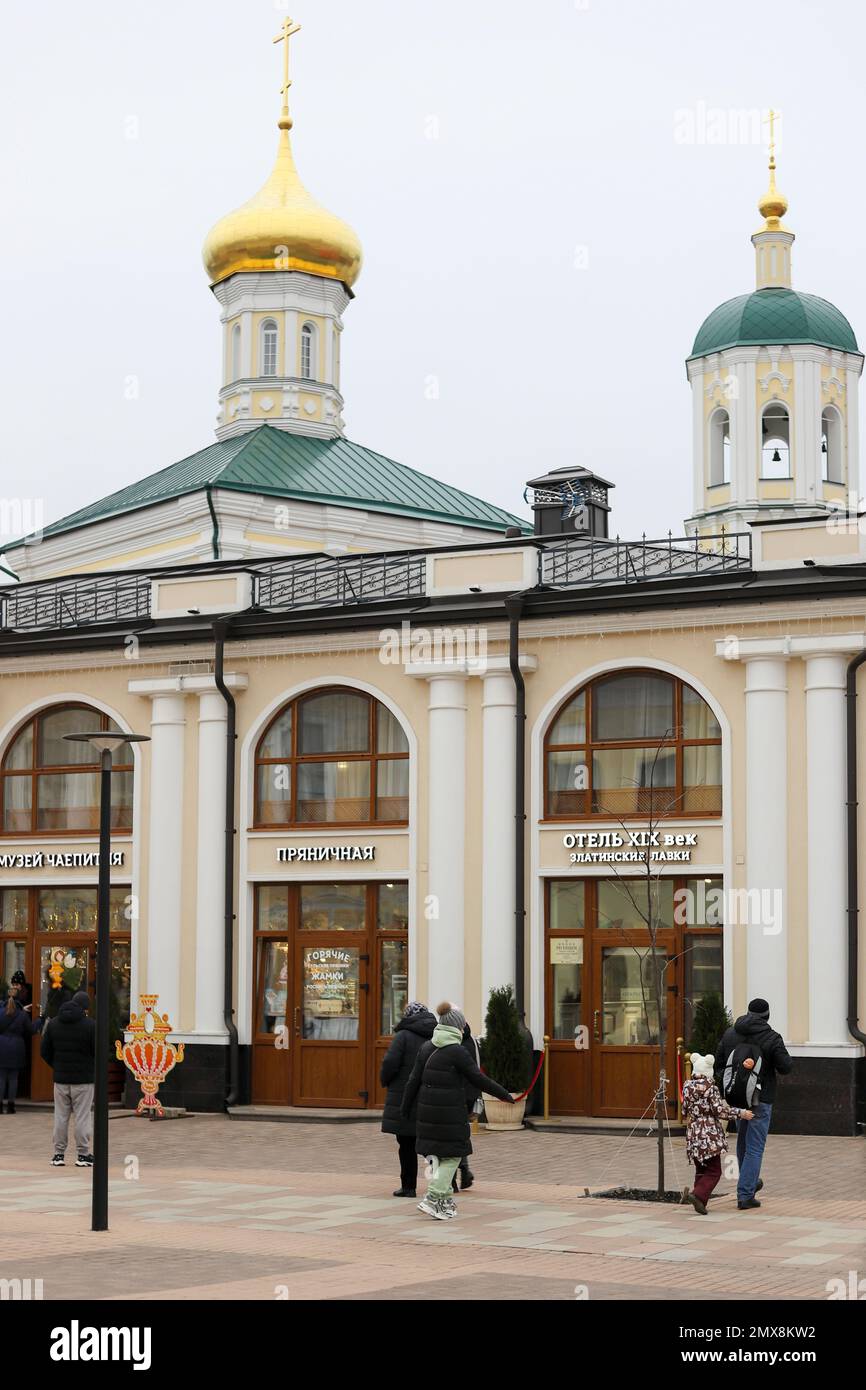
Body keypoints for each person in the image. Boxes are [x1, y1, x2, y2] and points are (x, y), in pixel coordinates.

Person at [401, 1001, 514, 1221]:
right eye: (462, 1026)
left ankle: (442, 1203)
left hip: (427, 1113)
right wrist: (505, 1095)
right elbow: (479, 1079)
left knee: (440, 1157)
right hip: (450, 1114)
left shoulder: (427, 1047)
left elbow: (412, 1081)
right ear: (456, 1027)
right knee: (453, 1156)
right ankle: (433, 1197)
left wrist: (404, 1108)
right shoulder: (457, 1052)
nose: (463, 1029)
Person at [714, 996, 792, 1210]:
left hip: (737, 1099)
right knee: (755, 1148)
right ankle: (746, 1194)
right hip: (760, 1099)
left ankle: (748, 1181)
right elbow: (786, 1066)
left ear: (748, 1013)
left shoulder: (730, 1033)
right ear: (767, 1016)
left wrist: (730, 1086)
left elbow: (719, 1064)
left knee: (743, 1143)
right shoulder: (772, 1037)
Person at [681, 1052, 752, 1215]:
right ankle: (697, 1195)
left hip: (693, 1132)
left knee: (701, 1169)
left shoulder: (687, 1087)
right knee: (714, 1170)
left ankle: (699, 1200)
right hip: (709, 1133)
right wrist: (741, 1113)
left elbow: (684, 1110)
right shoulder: (710, 1088)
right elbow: (720, 1111)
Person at [379, 1001, 436, 1196]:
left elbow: (390, 1063)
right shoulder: (436, 1034)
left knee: (406, 1144)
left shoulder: (403, 1035)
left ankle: (409, 1187)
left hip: (405, 1097)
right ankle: (444, 1183)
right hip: (430, 1095)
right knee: (432, 1143)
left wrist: (385, 1080)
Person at [40, 989, 96, 1168]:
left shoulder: (54, 1024)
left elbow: (44, 1051)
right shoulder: (90, 1025)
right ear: (85, 1008)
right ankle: (83, 1154)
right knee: (82, 1117)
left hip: (61, 1080)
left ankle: (58, 1154)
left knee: (61, 1117)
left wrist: (57, 1066)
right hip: (84, 1080)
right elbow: (97, 1052)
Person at [0, 985, 43, 1114]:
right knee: (13, 1078)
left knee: (1, 1078)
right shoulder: (22, 1014)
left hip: (1, 1046)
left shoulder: (0, 1011)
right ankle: (11, 1106)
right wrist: (39, 1019)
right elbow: (31, 1030)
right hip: (17, 1047)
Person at [452, 1018, 481, 1194]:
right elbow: (477, 1070)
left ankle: (452, 1179)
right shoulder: (471, 1041)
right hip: (467, 1095)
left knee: (448, 1138)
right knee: (459, 1135)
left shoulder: (452, 1043)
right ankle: (464, 1170)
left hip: (452, 1096)